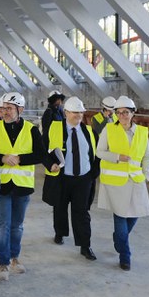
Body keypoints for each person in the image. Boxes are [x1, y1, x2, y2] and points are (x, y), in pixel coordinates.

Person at [0, 93, 45, 279]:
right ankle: (3, 263)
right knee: (3, 225)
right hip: (1, 185)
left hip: (22, 186)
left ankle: (15, 257)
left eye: (10, 108)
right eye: (3, 108)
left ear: (20, 110)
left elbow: (40, 155)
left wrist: (20, 159)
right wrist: (2, 158)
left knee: (17, 225)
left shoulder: (31, 129)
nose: (5, 112)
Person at [96, 95, 149, 271]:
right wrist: (117, 157)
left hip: (136, 180)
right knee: (120, 216)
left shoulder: (142, 132)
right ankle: (125, 255)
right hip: (116, 182)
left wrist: (146, 174)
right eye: (119, 113)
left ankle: (119, 239)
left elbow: (147, 155)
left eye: (125, 112)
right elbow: (99, 152)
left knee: (135, 214)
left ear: (133, 113)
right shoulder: (108, 130)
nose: (122, 116)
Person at [42, 96, 99, 261]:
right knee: (60, 207)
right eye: (75, 112)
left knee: (81, 212)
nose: (79, 115)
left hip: (83, 178)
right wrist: (49, 164)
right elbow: (42, 149)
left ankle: (85, 245)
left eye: (81, 112)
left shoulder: (89, 131)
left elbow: (96, 155)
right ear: (65, 112)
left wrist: (92, 174)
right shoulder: (54, 128)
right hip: (62, 178)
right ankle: (60, 233)